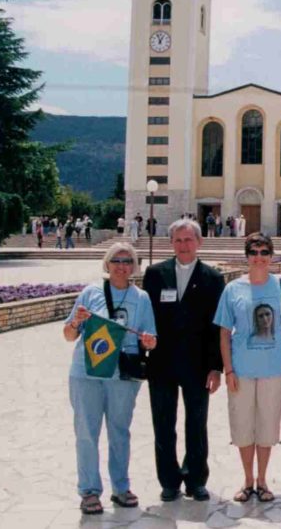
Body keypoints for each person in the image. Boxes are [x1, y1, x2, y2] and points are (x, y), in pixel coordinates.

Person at [63, 242, 157, 515]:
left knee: (120, 432)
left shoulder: (142, 298)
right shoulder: (90, 293)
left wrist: (150, 342)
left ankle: (121, 486)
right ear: (107, 263)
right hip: (87, 372)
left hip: (122, 374)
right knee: (86, 433)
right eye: (116, 260)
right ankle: (90, 491)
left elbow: (151, 339)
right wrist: (75, 322)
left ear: (134, 266)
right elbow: (69, 335)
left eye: (128, 260)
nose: (122, 265)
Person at [142, 219, 225, 502]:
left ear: (199, 243)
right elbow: (146, 316)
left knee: (196, 423)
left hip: (198, 364)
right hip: (162, 363)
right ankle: (169, 481)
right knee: (163, 424)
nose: (184, 246)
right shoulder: (154, 274)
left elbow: (217, 326)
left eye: (189, 240)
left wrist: (217, 367)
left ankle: (196, 479)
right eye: (178, 240)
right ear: (171, 244)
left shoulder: (213, 278)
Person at [214, 233, 281, 504]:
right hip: (242, 369)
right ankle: (248, 479)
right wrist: (228, 370)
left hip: (273, 369)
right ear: (246, 256)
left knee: (267, 426)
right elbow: (224, 332)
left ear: (271, 256)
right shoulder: (233, 289)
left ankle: (263, 480)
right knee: (242, 425)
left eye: (264, 252)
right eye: (254, 252)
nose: (259, 257)